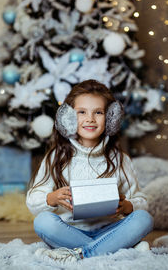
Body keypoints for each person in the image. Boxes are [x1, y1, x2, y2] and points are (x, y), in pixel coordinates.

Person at [26, 79, 154, 263]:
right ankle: (117, 248)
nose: (90, 119)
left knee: (144, 218)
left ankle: (79, 254)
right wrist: (52, 198)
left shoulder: (120, 159)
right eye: (82, 112)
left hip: (111, 230)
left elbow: (141, 201)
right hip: (69, 231)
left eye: (99, 112)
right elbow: (32, 200)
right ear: (68, 118)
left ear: (110, 118)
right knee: (42, 222)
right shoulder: (56, 157)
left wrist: (127, 206)